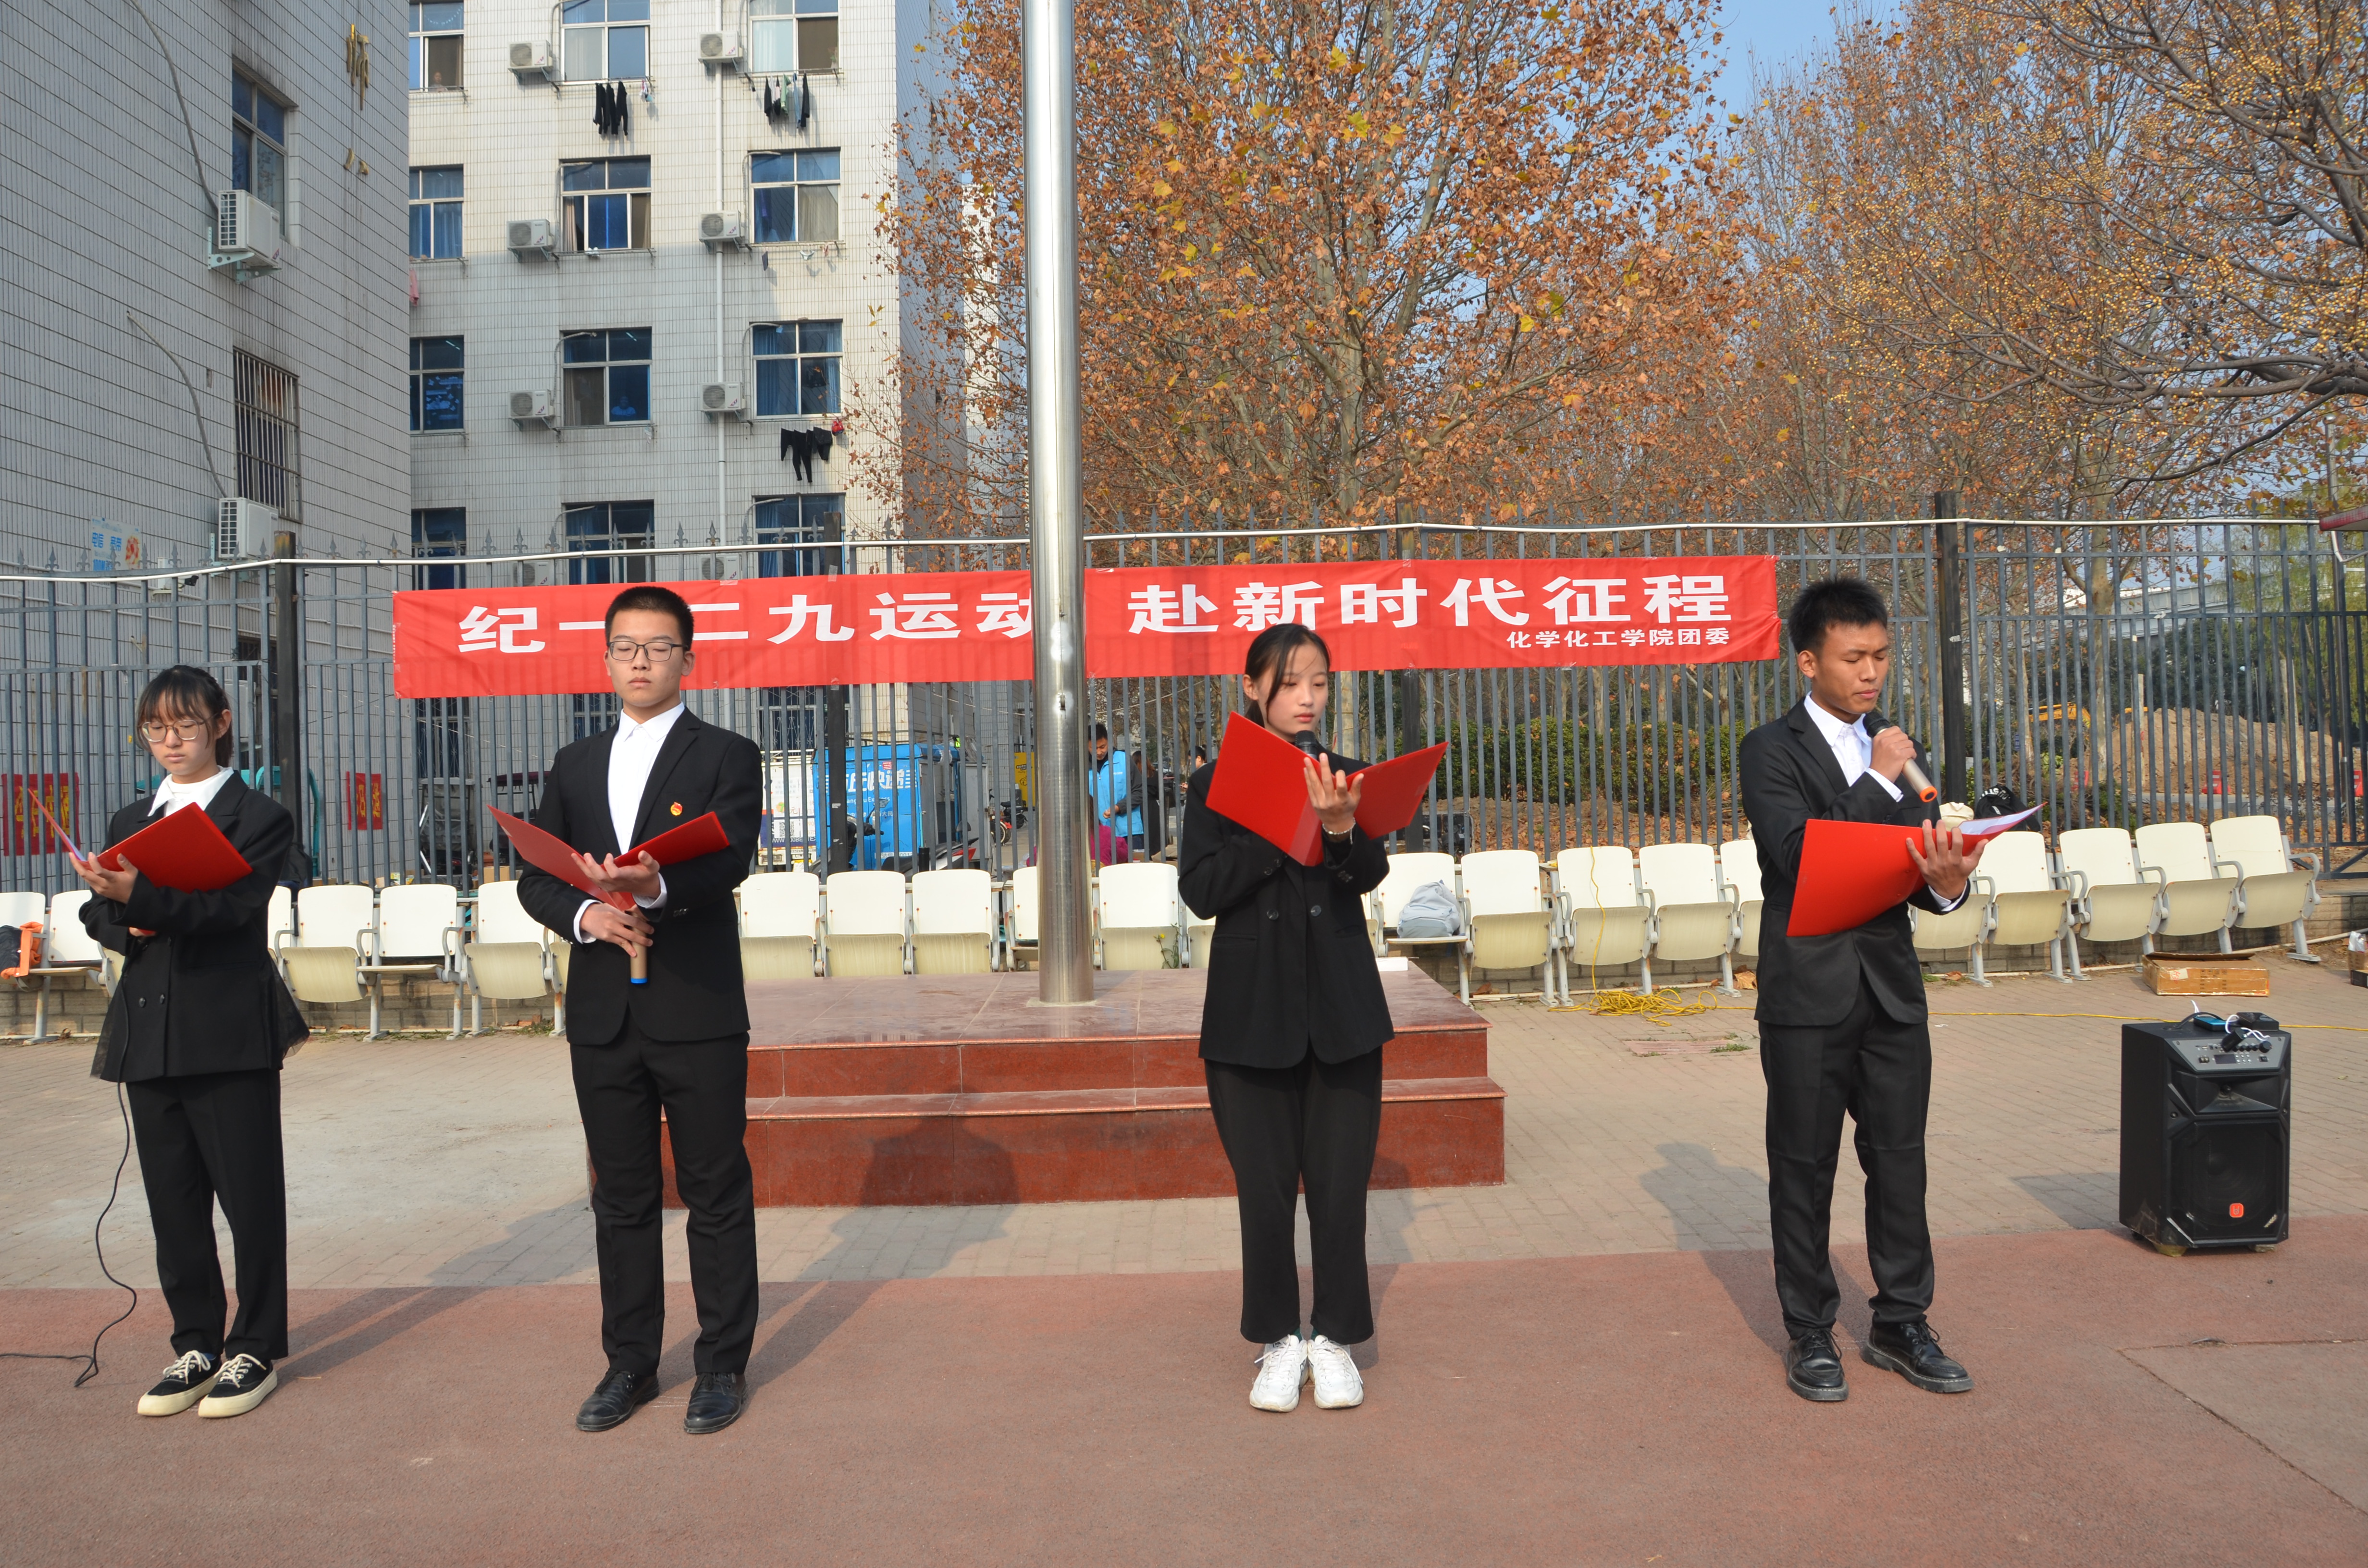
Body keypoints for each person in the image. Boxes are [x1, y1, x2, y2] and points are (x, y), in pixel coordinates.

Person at [515, 585, 764, 1436]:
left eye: (659, 647)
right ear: (607, 658)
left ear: (687, 659)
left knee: (714, 1188)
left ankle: (721, 1363)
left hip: (696, 1005)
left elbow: (730, 858)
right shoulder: (575, 762)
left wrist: (653, 887)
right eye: (626, 646)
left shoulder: (726, 754)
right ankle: (630, 1362)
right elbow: (537, 876)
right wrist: (589, 914)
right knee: (619, 1196)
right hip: (603, 1013)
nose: (641, 661)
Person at [1738, 577, 1988, 1404]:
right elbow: (1799, 858)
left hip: (1890, 990)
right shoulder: (1770, 750)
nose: (1871, 672)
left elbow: (1913, 869)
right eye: (1853, 657)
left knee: (1901, 1162)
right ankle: (1810, 1331)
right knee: (1802, 1166)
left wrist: (1948, 883)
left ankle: (1901, 1322)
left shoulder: (1895, 746)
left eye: (1880, 654)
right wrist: (1880, 782)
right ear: (1809, 661)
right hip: (1807, 993)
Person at [74, 665, 309, 1421]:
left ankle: (256, 1346)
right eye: (156, 729)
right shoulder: (131, 818)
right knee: (173, 1201)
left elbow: (234, 911)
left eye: (185, 726)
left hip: (229, 1029)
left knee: (249, 1197)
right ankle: (197, 1344)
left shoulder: (259, 816)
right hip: (150, 1030)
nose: (170, 742)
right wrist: (126, 914)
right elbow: (95, 915)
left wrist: (140, 898)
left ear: (221, 723)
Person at [1179, 624, 1392, 1412]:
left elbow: (1368, 873)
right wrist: (1279, 823)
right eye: (1292, 682)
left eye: (1320, 682)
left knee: (1339, 1190)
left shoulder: (1346, 777)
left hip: (1342, 1009)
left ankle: (1334, 1339)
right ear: (1252, 686)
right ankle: (1277, 1340)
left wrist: (1338, 827)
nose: (1307, 698)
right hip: (1250, 1015)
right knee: (1263, 1193)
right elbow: (1201, 889)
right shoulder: (1212, 784)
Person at [1089, 722, 1142, 866]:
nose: (1099, 752)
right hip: (1098, 835)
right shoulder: (1082, 766)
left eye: (1103, 747)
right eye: (1094, 748)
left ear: (1109, 741)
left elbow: (1139, 791)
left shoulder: (1123, 760)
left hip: (1129, 831)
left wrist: (1119, 807)